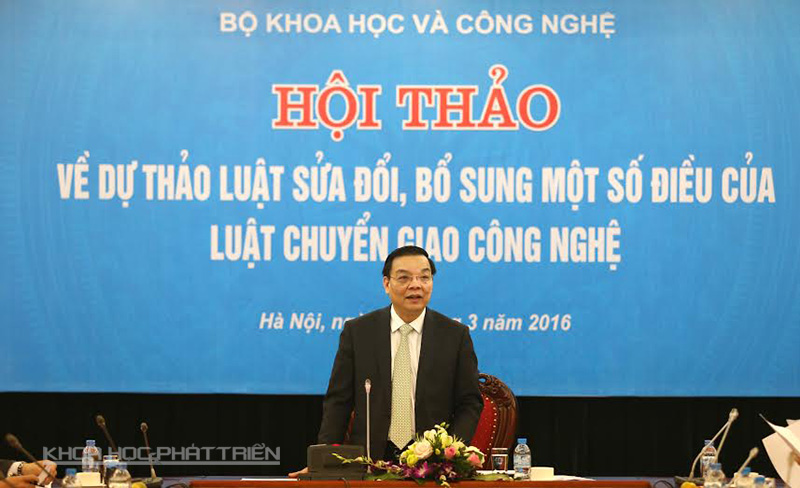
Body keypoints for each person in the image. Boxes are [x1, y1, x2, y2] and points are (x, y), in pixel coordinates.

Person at [290, 246, 483, 476]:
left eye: (424, 277)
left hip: (431, 465)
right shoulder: (358, 332)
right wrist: (322, 461)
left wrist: (449, 451)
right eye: (404, 278)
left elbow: (469, 402)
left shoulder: (454, 335)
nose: (416, 285)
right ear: (386, 284)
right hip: (369, 461)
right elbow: (339, 402)